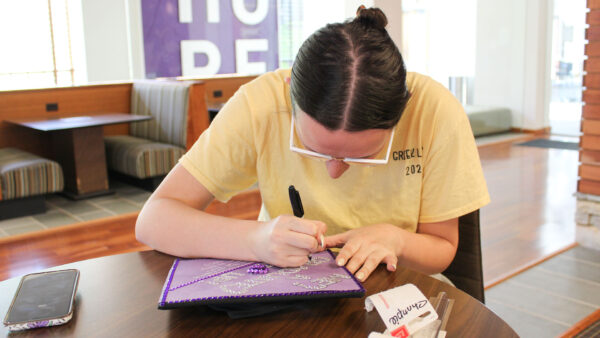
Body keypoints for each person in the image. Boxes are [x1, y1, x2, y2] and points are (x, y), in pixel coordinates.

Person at [135, 6, 490, 283]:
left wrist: (396, 239)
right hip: (287, 282)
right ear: (290, 92)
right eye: (316, 150)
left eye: (363, 156)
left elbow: (443, 248)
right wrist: (255, 239)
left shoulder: (435, 111)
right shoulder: (260, 103)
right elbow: (155, 220)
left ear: (403, 109)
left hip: (398, 288)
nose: (334, 172)